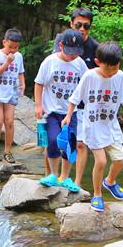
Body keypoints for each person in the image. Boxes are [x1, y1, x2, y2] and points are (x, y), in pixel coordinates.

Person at [62, 41, 123, 212]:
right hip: (92, 126)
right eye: (108, 68)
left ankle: (110, 181)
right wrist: (68, 116)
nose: (112, 72)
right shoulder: (89, 76)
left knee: (120, 159)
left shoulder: (120, 76)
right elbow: (75, 98)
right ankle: (97, 195)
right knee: (101, 160)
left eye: (115, 67)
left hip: (110, 125)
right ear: (98, 62)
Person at [35, 29, 88, 192]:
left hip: (71, 112)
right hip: (51, 111)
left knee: (69, 143)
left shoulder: (79, 63)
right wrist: (38, 105)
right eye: (69, 52)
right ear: (60, 45)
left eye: (76, 52)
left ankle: (65, 177)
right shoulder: (50, 62)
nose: (72, 56)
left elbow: (87, 82)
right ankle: (53, 174)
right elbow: (39, 83)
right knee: (52, 140)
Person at [53, 7, 98, 189]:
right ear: (71, 24)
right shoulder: (62, 40)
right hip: (60, 102)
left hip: (83, 105)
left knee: (80, 143)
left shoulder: (94, 47)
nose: (82, 29)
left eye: (86, 26)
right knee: (55, 140)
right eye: (78, 25)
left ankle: (77, 183)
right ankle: (55, 177)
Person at [0, 28, 25, 162]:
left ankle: (7, 152)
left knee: (9, 122)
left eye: (16, 47)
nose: (13, 50)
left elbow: (20, 72)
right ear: (4, 42)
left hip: (11, 92)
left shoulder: (19, 56)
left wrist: (22, 84)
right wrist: (7, 62)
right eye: (10, 47)